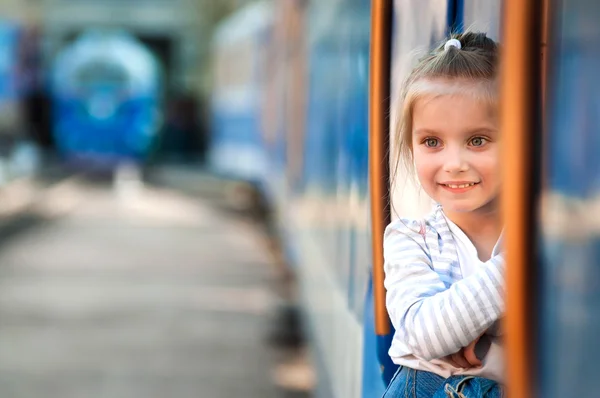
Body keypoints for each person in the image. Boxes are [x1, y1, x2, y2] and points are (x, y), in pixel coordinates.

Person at [382, 31, 505, 397]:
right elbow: (424, 333)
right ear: (411, 146)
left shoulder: (545, 233)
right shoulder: (410, 239)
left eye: (478, 140)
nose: (454, 164)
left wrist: (476, 331)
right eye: (432, 142)